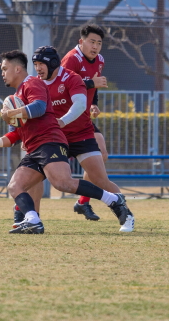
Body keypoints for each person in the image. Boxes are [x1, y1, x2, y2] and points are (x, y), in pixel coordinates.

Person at [0, 50, 132, 234]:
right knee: (15, 186)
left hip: (50, 141)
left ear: (17, 69)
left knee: (63, 183)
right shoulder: (16, 97)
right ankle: (32, 220)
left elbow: (39, 107)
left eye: (5, 68)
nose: (2, 73)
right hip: (35, 149)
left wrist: (11, 113)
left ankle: (113, 200)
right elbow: (15, 135)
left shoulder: (32, 83)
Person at [60, 24, 109, 221]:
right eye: (92, 41)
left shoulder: (100, 60)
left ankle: (82, 202)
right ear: (81, 41)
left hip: (83, 119)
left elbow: (93, 87)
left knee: (101, 155)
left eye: (99, 43)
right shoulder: (71, 59)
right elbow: (61, 87)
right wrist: (91, 84)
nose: (95, 46)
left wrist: (93, 104)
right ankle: (23, 209)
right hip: (63, 118)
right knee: (45, 167)